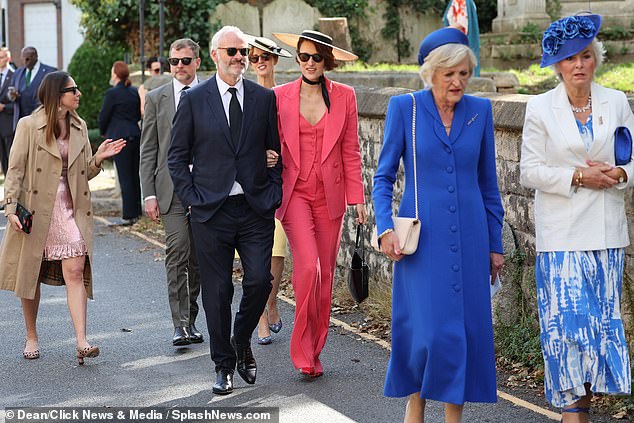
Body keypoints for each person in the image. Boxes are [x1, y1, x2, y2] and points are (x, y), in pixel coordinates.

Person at [373, 27, 504, 422]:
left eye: (464, 73)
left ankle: (453, 419)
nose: (458, 82)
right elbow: (382, 177)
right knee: (424, 333)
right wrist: (384, 227)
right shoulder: (405, 109)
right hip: (421, 241)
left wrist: (494, 245)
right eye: (450, 74)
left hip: (470, 238)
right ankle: (416, 406)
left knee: (460, 333)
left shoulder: (480, 111)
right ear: (431, 73)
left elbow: (489, 185)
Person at [520, 14, 633, 422]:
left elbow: (632, 160)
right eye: (570, 59)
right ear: (557, 65)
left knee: (599, 331)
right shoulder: (539, 108)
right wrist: (578, 176)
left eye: (586, 55)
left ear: (596, 59)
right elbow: (528, 171)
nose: (579, 65)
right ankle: (574, 414)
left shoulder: (616, 102)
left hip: (606, 236)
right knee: (568, 331)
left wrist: (620, 173)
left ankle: (583, 409)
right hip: (562, 237)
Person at [168, 26, 282, 395]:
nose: (239, 57)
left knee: (258, 281)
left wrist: (274, 186)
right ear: (215, 55)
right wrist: (192, 198)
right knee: (217, 292)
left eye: (243, 51)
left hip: (254, 208)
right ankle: (223, 365)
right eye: (231, 51)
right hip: (210, 211)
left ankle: (241, 339)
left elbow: (274, 152)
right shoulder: (195, 99)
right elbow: (176, 157)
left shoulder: (264, 99)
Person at [0, 71, 125, 363]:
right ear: (58, 95)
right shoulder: (28, 125)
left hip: (70, 210)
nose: (79, 93)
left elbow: (82, 173)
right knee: (30, 277)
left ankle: (82, 341)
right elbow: (15, 171)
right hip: (36, 211)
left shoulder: (79, 126)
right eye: (73, 89)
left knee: (75, 272)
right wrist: (10, 208)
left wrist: (98, 159)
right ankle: (32, 335)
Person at [272, 30, 367, 377]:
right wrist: (269, 159)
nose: (309, 63)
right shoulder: (279, 96)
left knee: (325, 274)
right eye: (303, 57)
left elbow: (351, 151)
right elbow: (270, 142)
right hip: (294, 192)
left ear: (326, 60)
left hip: (331, 196)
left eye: (316, 57)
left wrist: (358, 198)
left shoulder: (345, 96)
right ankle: (300, 351)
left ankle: (315, 350)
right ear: (297, 59)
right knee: (308, 268)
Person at [140, 39, 203, 347]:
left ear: (198, 62)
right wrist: (148, 194)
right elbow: (148, 149)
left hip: (207, 190)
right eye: (174, 61)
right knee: (177, 251)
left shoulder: (212, 93)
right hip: (171, 190)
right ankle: (178, 324)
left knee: (197, 259)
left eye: (185, 60)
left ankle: (191, 319)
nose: (179, 66)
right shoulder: (156, 98)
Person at [246, 36, 292, 346]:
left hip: (283, 183)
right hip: (251, 184)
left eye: (265, 56)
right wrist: (257, 155)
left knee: (277, 252)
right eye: (253, 57)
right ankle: (260, 318)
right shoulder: (245, 96)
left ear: (275, 60)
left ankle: (271, 301)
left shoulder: (287, 96)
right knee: (254, 255)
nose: (259, 61)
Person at [98, 61, 142, 225]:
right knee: (134, 175)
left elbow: (104, 116)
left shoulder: (112, 93)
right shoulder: (133, 91)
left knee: (124, 176)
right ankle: (137, 211)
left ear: (115, 74)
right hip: (134, 135)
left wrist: (104, 132)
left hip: (119, 137)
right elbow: (138, 114)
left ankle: (129, 215)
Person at [11, 46, 56, 130]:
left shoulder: (50, 72)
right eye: (23, 58)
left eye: (27, 59)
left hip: (42, 120)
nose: (25, 62)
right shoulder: (18, 73)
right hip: (22, 121)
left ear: (35, 57)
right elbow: (10, 93)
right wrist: (12, 95)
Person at [0, 47, 15, 175]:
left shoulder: (14, 76)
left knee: (11, 158)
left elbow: (17, 103)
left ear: (8, 59)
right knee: (2, 159)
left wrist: (4, 107)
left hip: (9, 125)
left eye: (1, 57)